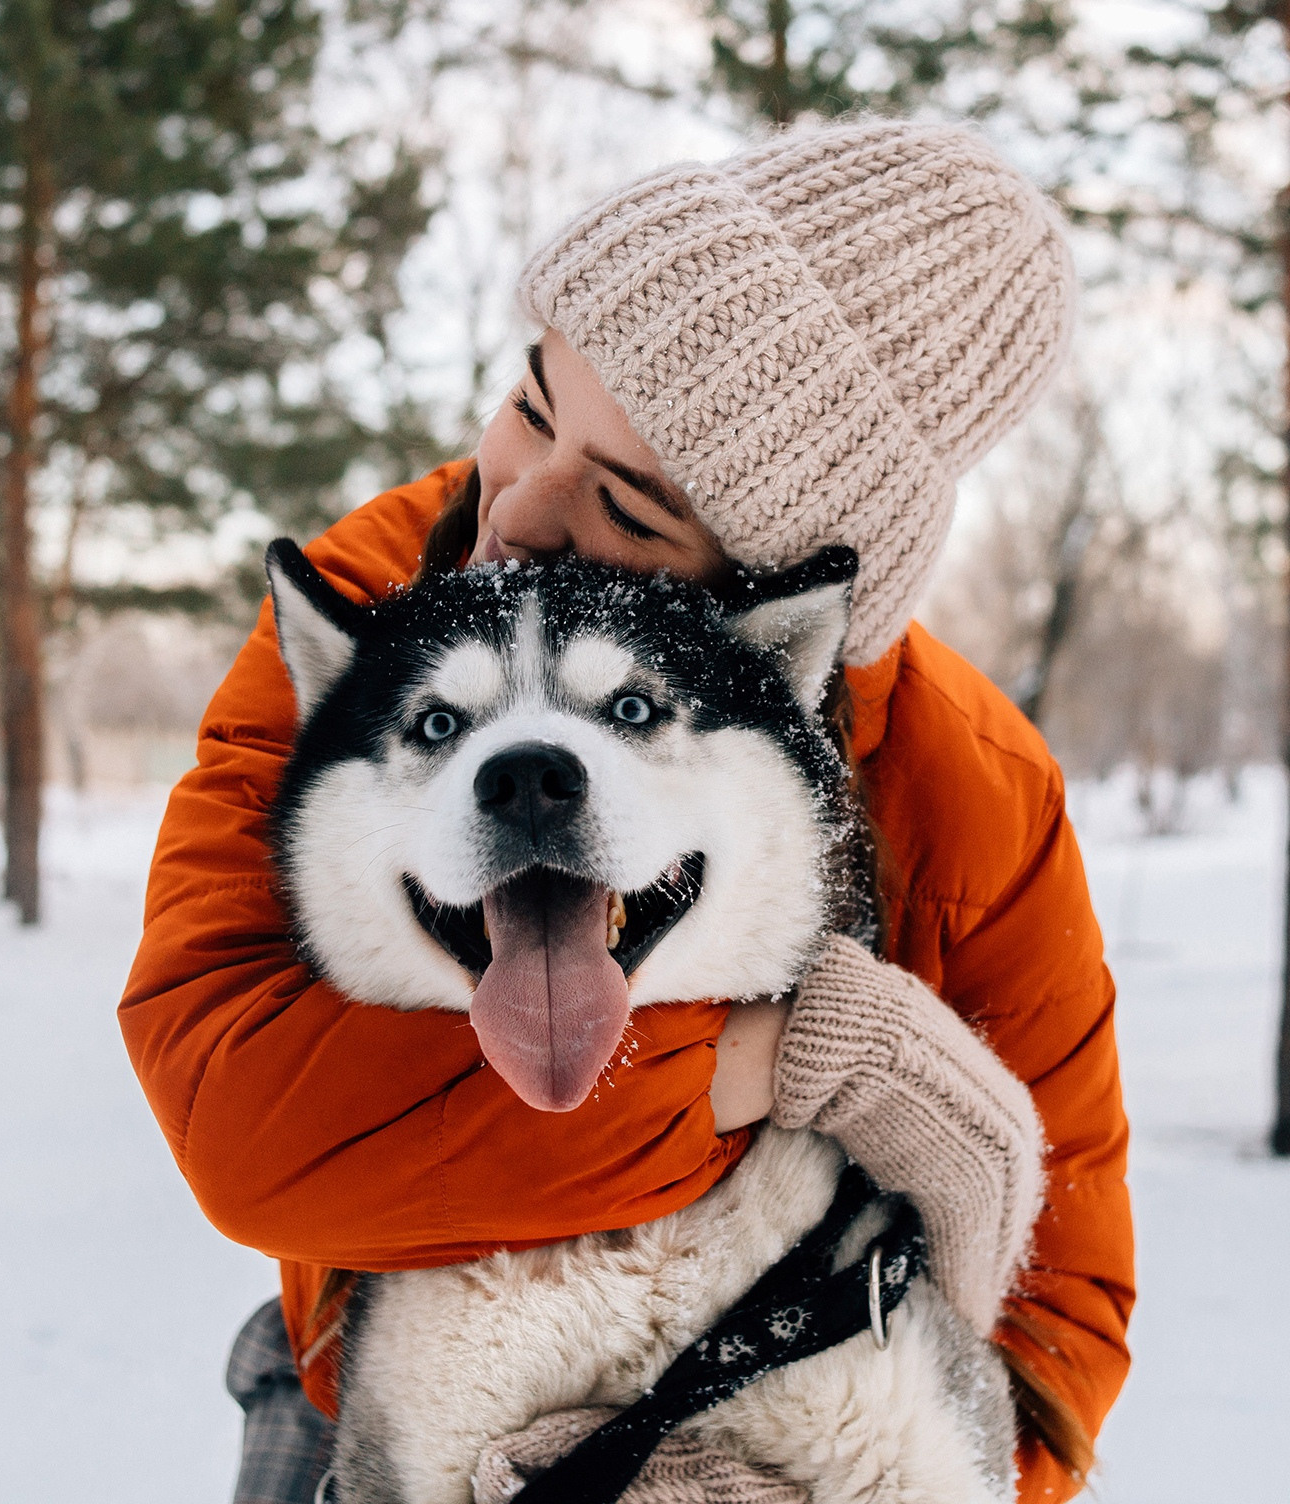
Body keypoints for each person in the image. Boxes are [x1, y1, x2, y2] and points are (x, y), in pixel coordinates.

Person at [122, 119, 1134, 1504]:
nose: (516, 514)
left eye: (634, 513)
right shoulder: (362, 622)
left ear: (773, 615)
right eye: (535, 405)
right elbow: (247, 1123)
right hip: (380, 1390)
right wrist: (766, 1062)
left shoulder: (972, 789)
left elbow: (1060, 1325)